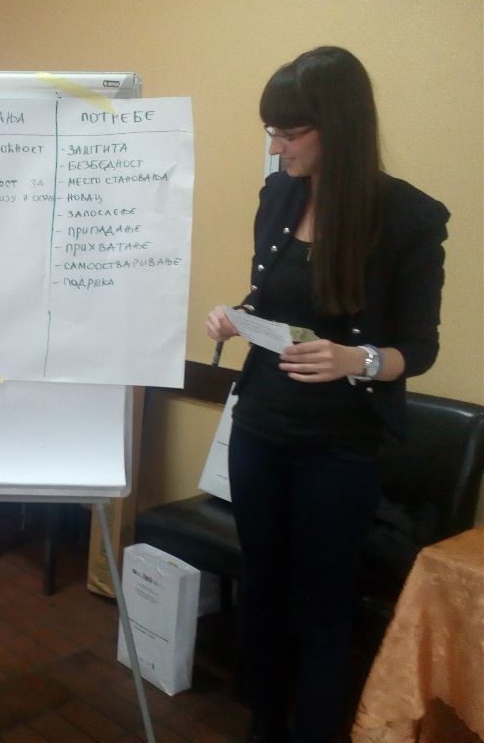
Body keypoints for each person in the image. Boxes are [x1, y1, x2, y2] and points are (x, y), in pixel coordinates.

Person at [206, 47, 448, 743]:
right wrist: (238, 316)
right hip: (259, 429)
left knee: (323, 605)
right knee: (262, 586)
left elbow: (419, 349)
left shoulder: (408, 218)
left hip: (338, 451)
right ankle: (263, 726)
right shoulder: (279, 196)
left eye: (289, 133)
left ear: (337, 126)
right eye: (271, 131)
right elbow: (273, 298)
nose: (275, 147)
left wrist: (356, 359)